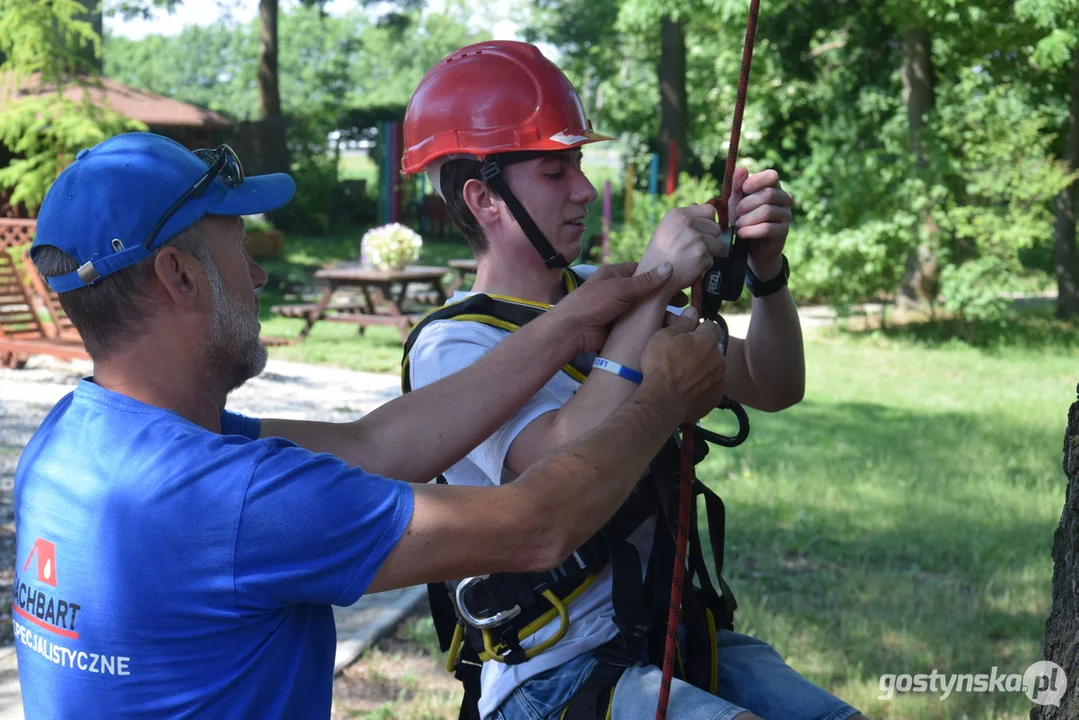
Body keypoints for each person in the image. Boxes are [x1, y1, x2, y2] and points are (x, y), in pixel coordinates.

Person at [11, 131, 731, 718]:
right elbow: (535, 526)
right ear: (179, 275)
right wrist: (659, 400)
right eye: (238, 246)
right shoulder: (231, 498)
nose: (257, 276)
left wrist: (567, 323)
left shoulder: (75, 443)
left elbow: (377, 443)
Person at [402, 41, 866, 720]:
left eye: (578, 166)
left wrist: (766, 276)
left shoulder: (601, 290)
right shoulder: (454, 344)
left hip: (672, 633)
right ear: (484, 198)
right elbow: (565, 460)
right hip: (552, 674)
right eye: (554, 172)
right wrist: (652, 291)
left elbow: (771, 385)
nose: (584, 190)